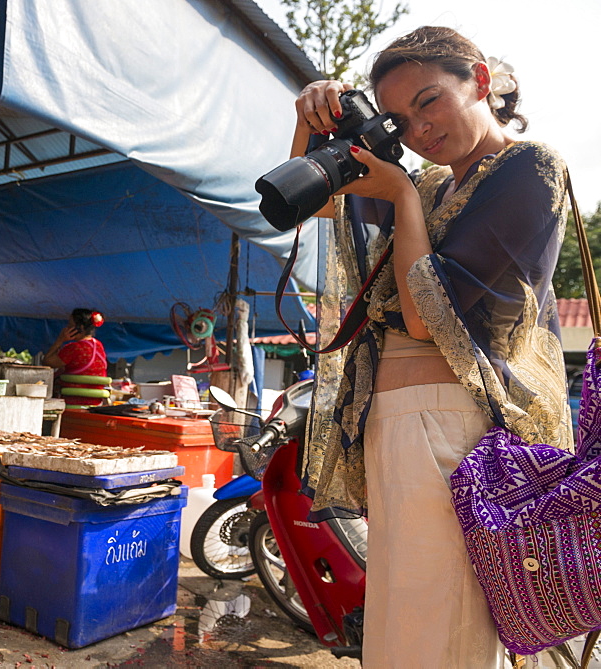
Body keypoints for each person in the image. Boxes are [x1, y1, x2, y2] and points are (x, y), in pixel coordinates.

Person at [297, 27, 571, 667]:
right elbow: (321, 207)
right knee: (402, 614)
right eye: (399, 118)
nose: (418, 129)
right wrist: (312, 120)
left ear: (479, 80)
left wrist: (397, 195)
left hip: (454, 423)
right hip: (396, 420)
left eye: (429, 101)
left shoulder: (530, 168)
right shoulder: (427, 187)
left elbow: (426, 319)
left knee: (442, 621)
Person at [44, 309, 108, 406]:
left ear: (80, 328)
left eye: (70, 325)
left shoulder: (74, 348)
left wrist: (60, 340)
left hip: (70, 402)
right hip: (95, 403)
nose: (66, 328)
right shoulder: (99, 346)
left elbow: (46, 361)